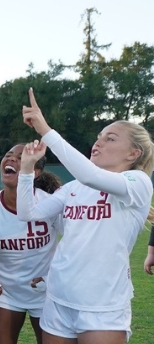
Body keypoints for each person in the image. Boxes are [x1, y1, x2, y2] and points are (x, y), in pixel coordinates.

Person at [18, 88, 154, 344]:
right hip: (59, 299)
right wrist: (26, 169)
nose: (99, 142)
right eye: (99, 136)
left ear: (133, 154)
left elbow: (89, 175)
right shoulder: (73, 188)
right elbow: (29, 214)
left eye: (110, 139)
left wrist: (46, 130)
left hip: (103, 306)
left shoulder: (137, 182)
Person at [0, 144, 61, 344]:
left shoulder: (51, 204)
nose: (11, 159)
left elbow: (74, 246)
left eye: (21, 157)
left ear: (35, 172)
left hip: (47, 292)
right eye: (8, 155)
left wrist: (54, 278)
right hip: (7, 293)